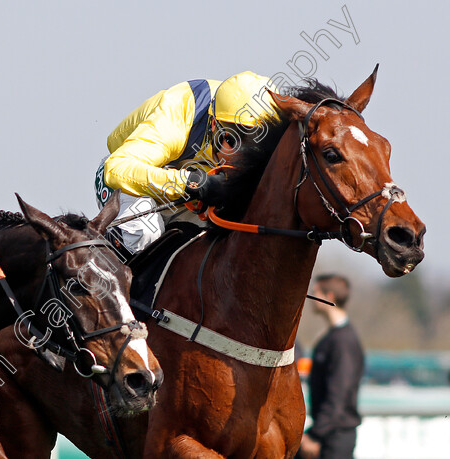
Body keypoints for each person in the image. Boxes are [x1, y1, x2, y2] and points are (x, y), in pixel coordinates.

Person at [94, 71, 280, 256]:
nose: (240, 158)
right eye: (231, 140)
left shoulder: (277, 130)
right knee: (144, 232)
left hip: (188, 189)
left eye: (255, 149)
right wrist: (193, 183)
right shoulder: (179, 111)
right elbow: (117, 168)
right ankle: (83, 280)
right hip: (127, 180)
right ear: (214, 125)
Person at [300, 274, 365, 459]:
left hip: (334, 437)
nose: (311, 298)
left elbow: (338, 395)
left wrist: (315, 435)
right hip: (328, 432)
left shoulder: (342, 341)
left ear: (329, 297)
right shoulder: (333, 337)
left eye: (315, 292)